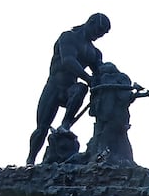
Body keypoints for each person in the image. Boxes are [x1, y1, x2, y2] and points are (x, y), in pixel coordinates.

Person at [27, 13, 110, 165]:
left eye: (102, 34)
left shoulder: (94, 52)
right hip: (53, 87)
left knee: (81, 89)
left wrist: (113, 78)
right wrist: (89, 78)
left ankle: (65, 124)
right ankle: (30, 160)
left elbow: (100, 71)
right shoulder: (68, 37)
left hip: (69, 90)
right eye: (98, 31)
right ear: (90, 23)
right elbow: (68, 61)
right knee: (42, 129)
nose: (98, 35)